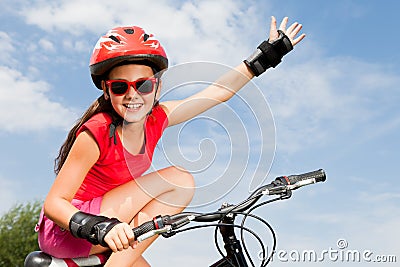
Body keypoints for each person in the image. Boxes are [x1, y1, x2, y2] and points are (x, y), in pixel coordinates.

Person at [36, 16, 305, 266]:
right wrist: (100, 227)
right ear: (107, 91)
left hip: (110, 226)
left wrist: (266, 56)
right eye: (120, 87)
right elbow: (55, 203)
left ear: (158, 88)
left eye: (143, 85)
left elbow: (216, 93)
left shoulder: (158, 119)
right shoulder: (96, 132)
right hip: (70, 229)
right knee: (179, 179)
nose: (133, 95)